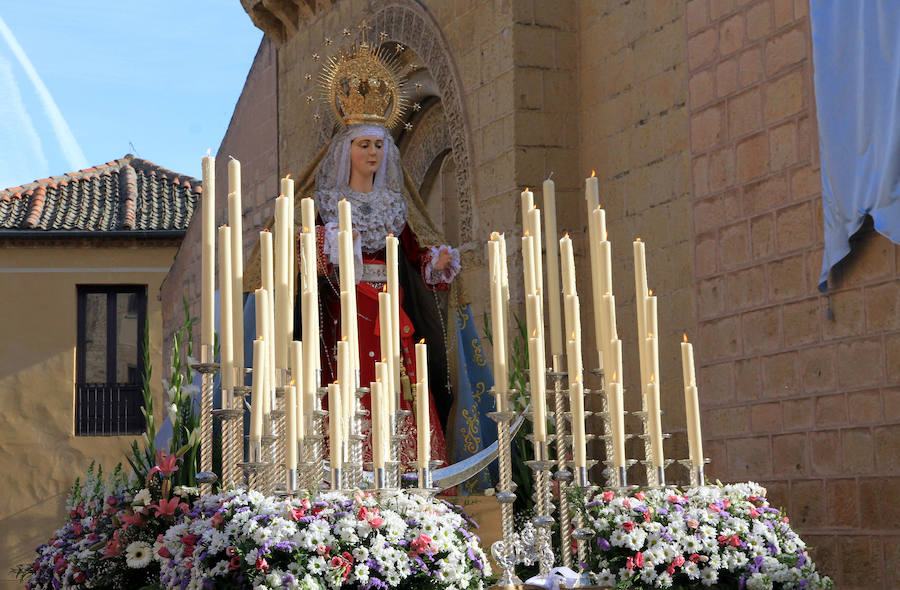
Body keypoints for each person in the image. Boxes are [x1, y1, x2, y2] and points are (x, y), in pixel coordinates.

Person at [305, 123, 460, 466]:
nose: (373, 152)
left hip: (391, 309)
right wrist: (332, 243)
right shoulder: (327, 204)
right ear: (347, 152)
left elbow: (413, 254)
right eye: (364, 145)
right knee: (351, 377)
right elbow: (304, 254)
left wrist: (435, 262)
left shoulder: (394, 206)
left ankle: (406, 464)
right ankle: (347, 463)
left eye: (378, 145)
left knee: (399, 379)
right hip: (346, 311)